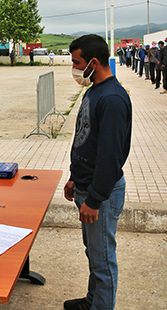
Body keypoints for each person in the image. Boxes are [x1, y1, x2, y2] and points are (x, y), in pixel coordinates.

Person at [63, 34, 132, 310]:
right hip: (85, 185)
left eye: (77, 63)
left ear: (93, 62)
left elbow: (110, 157)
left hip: (100, 193)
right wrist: (73, 176)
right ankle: (92, 301)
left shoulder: (113, 98)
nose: (74, 68)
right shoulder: (94, 90)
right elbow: (85, 138)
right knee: (94, 253)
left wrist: (94, 199)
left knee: (103, 260)